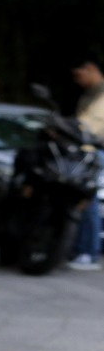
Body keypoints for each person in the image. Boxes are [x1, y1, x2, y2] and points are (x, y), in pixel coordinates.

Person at [68, 57, 104, 271]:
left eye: (78, 74)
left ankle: (87, 253)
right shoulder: (92, 93)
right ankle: (82, 249)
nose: (77, 80)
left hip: (94, 153)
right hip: (88, 152)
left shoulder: (101, 94)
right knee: (84, 200)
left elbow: (90, 126)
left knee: (87, 200)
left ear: (90, 68)